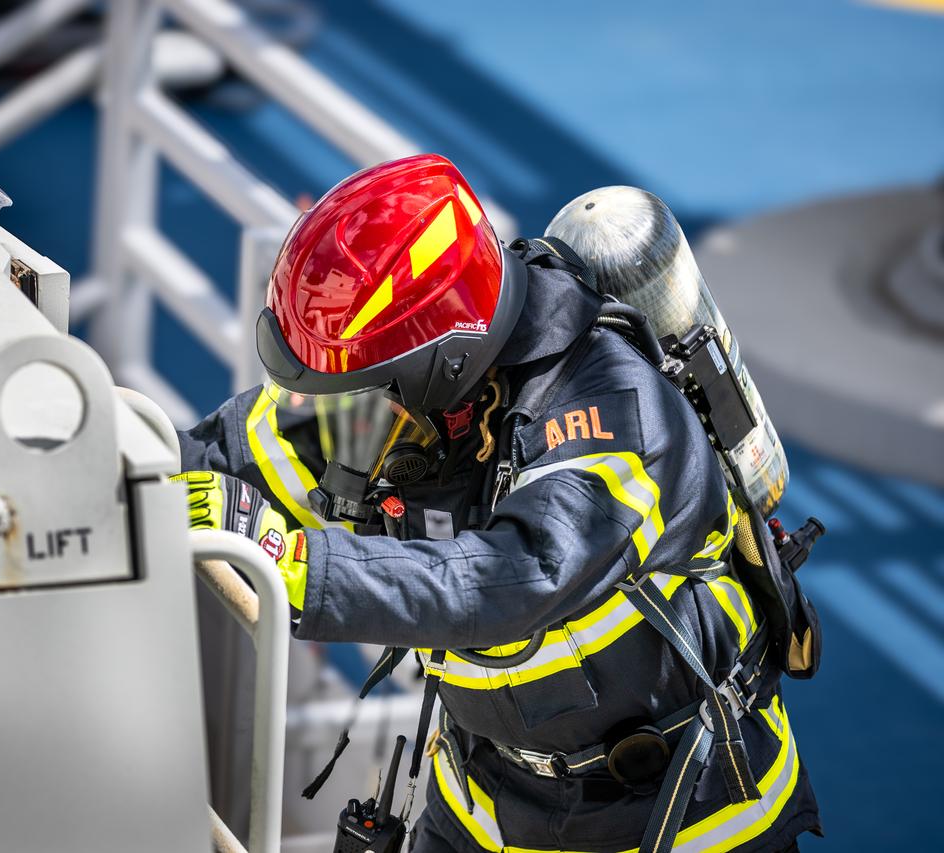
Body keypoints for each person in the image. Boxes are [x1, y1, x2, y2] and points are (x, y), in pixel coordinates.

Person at [174, 153, 820, 852]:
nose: (333, 431)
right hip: (483, 802)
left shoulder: (619, 412)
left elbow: (508, 579)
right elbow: (227, 452)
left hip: (687, 813)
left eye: (354, 404)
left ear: (443, 365)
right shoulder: (389, 400)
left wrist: (289, 559)